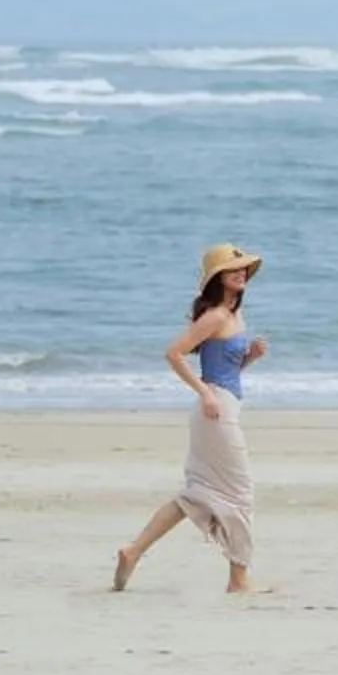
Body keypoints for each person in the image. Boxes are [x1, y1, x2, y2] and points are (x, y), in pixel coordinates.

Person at [114, 244, 268, 594]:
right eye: (233, 269)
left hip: (222, 405)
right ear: (217, 278)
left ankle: (133, 550)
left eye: (243, 269)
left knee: (197, 494)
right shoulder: (215, 315)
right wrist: (206, 394)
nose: (241, 273)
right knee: (240, 493)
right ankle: (238, 580)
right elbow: (174, 353)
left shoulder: (233, 316)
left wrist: (251, 358)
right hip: (215, 411)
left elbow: (226, 369)